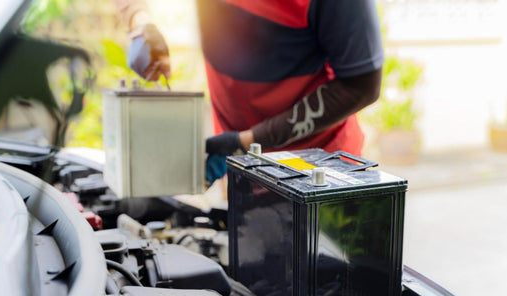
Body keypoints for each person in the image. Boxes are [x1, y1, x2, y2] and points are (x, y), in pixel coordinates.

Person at [114, 0, 383, 183]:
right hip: (239, 157)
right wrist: (139, 21)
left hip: (315, 170)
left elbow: (360, 85)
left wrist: (248, 141)